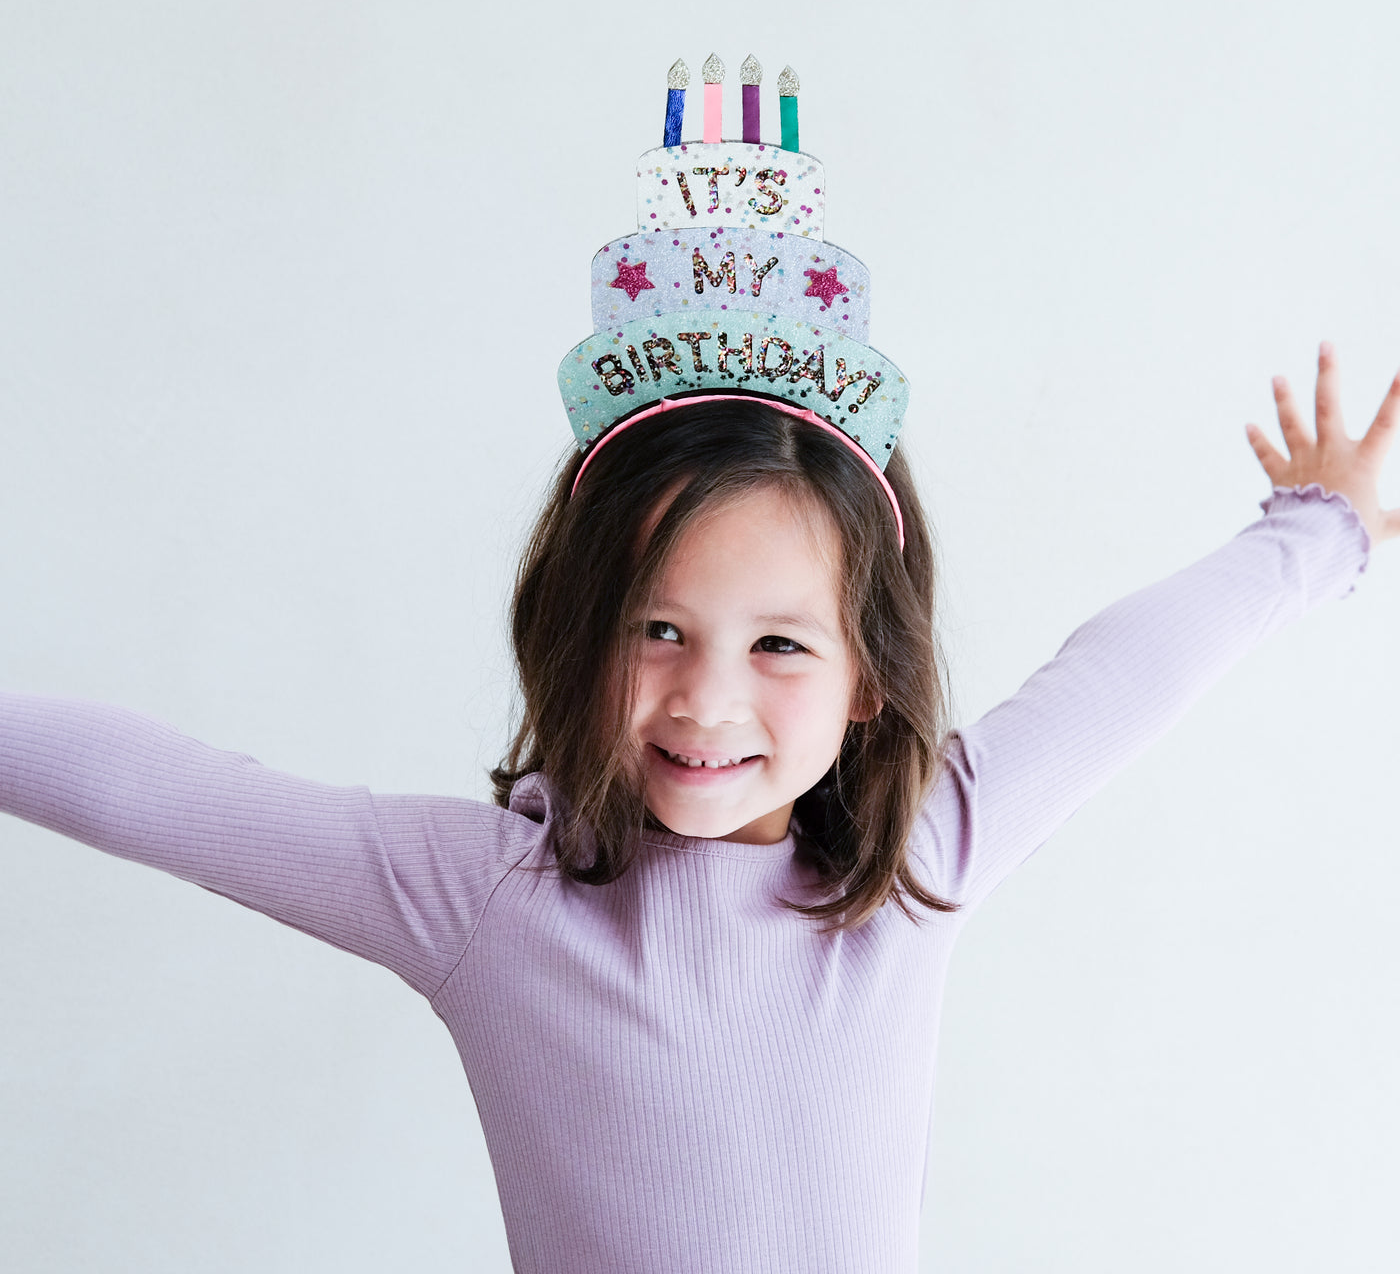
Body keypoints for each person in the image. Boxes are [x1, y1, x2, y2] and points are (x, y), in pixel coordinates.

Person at [3, 88, 1397, 1272]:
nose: (706, 700)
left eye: (779, 644)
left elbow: (1124, 675)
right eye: (654, 631)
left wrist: (1317, 533)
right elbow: (167, 794)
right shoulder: (482, 896)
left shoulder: (924, 854)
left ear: (869, 678)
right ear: (577, 631)